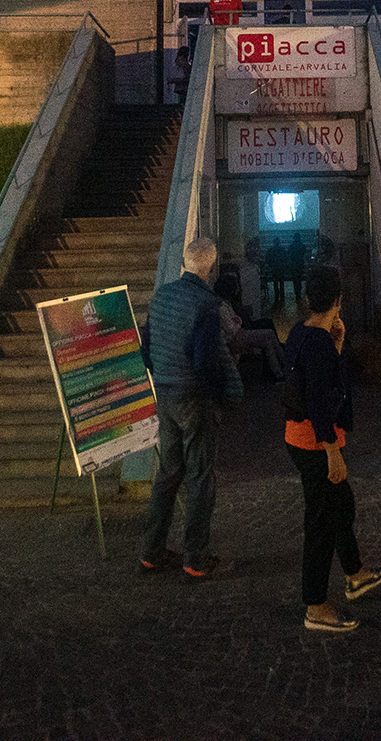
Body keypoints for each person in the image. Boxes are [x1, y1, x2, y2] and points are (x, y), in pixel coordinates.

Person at [283, 264, 381, 632]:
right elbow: (318, 401)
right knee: (322, 523)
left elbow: (313, 382)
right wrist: (332, 452)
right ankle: (315, 606)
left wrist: (337, 345)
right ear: (339, 301)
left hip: (298, 437)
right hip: (316, 445)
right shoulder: (319, 344)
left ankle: (355, 573)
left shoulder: (300, 333)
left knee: (341, 505)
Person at [138, 236, 242, 580]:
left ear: (185, 263)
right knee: (199, 477)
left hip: (165, 394)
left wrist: (163, 375)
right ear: (210, 269)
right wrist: (219, 396)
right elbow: (206, 360)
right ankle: (195, 558)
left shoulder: (162, 296)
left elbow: (146, 348)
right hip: (194, 398)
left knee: (168, 475)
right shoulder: (206, 304)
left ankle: (151, 552)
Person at [215, 268, 284, 380]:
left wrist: (237, 320)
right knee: (269, 335)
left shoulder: (223, 303)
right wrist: (239, 322)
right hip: (236, 338)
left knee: (268, 338)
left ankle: (279, 371)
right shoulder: (222, 306)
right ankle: (283, 367)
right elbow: (232, 329)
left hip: (238, 335)